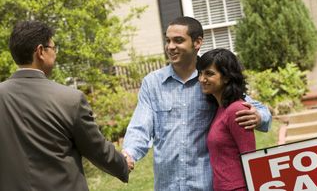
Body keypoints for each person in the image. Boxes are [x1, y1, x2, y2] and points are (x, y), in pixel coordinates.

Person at [122, 16, 271, 190]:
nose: (170, 47)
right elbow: (140, 126)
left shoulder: (212, 81)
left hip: (205, 184)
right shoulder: (152, 83)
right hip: (167, 185)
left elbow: (253, 107)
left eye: (178, 40)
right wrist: (129, 154)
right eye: (168, 40)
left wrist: (259, 116)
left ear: (197, 42)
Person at [0, 21, 129, 191]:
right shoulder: (69, 99)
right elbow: (96, 149)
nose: (55, 54)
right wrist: (123, 164)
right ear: (40, 51)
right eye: (53, 48)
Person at [197, 48, 255, 191]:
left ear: (227, 77)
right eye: (200, 73)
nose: (202, 79)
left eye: (209, 74)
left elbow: (250, 158)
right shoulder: (221, 109)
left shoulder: (237, 110)